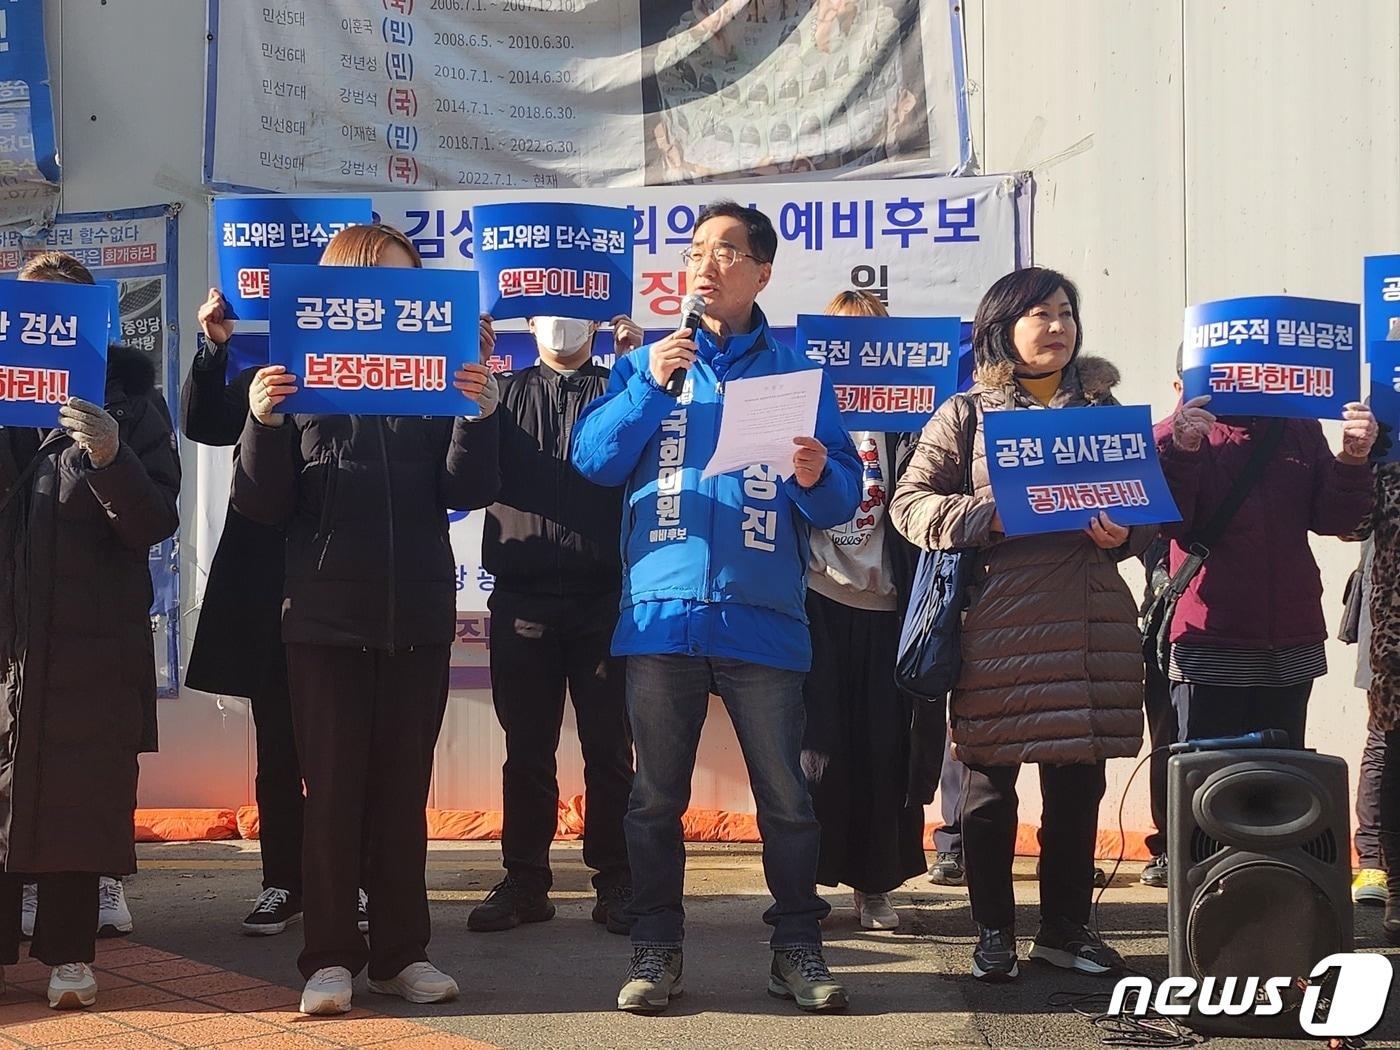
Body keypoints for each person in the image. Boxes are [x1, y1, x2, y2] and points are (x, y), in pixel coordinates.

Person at [571, 201, 861, 1014]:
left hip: (761, 618)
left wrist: (815, 475)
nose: (708, 262)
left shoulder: (796, 375)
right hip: (662, 617)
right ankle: (655, 949)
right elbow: (593, 461)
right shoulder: (647, 365)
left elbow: (842, 498)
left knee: (786, 801)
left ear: (761, 273)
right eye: (698, 249)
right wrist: (650, 387)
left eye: (728, 251)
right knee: (655, 797)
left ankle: (796, 948)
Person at [231, 223, 501, 1015]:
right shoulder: (302, 382)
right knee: (334, 794)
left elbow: (465, 490)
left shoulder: (429, 384)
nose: (399, 302)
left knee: (400, 796)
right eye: (384, 283)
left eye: (411, 285)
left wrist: (477, 410)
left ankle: (401, 955)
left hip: (415, 612)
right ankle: (329, 959)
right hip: (322, 618)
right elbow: (262, 502)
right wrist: (263, 421)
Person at [890, 267, 1148, 982]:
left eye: (1066, 312)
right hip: (996, 629)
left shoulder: (1104, 410)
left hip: (1091, 629)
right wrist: (986, 516)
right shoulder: (965, 414)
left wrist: (1123, 536)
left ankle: (1065, 930)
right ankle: (994, 932)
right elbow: (909, 507)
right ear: (1003, 324)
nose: (1058, 326)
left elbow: (1149, 522)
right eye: (1041, 313)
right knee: (989, 793)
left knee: (1077, 793)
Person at [0, 251, 181, 1008]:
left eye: (67, 313)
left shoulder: (132, 407)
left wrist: (108, 455)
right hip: (10, 636)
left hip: (93, 638)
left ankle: (72, 958)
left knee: (80, 794)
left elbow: (154, 520)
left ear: (97, 325)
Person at [182, 289, 372, 937]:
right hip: (273, 595)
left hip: (352, 588)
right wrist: (215, 347)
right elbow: (205, 423)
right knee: (282, 753)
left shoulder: (389, 375)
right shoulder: (274, 378)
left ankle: (361, 885)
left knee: (354, 751)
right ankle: (283, 884)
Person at [468, 312, 644, 936]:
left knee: (609, 746)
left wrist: (635, 369)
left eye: (576, 310)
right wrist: (473, 381)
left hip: (605, 596)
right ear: (530, 321)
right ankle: (524, 879)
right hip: (522, 596)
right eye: (548, 311)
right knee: (527, 748)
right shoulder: (503, 390)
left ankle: (617, 877)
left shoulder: (622, 386)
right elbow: (465, 474)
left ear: (597, 320)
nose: (562, 324)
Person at [1154, 363, 1376, 751]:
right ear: (1181, 382)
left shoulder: (1300, 427)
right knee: (1205, 780)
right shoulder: (1170, 435)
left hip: (1292, 639)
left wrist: (1353, 459)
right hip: (1209, 641)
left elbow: (1333, 522)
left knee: (1282, 783)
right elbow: (1170, 526)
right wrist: (1184, 449)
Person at [799, 290, 927, 931]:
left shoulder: (915, 418)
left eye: (869, 339)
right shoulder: (804, 408)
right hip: (817, 597)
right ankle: (806, 883)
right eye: (839, 339)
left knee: (884, 749)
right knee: (815, 750)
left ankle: (875, 886)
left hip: (892, 606)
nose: (855, 353)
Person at [1358, 462, 1400, 943]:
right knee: (1396, 766)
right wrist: (1357, 457)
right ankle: (1398, 892)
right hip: (1397, 645)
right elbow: (1346, 522)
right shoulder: (1387, 461)